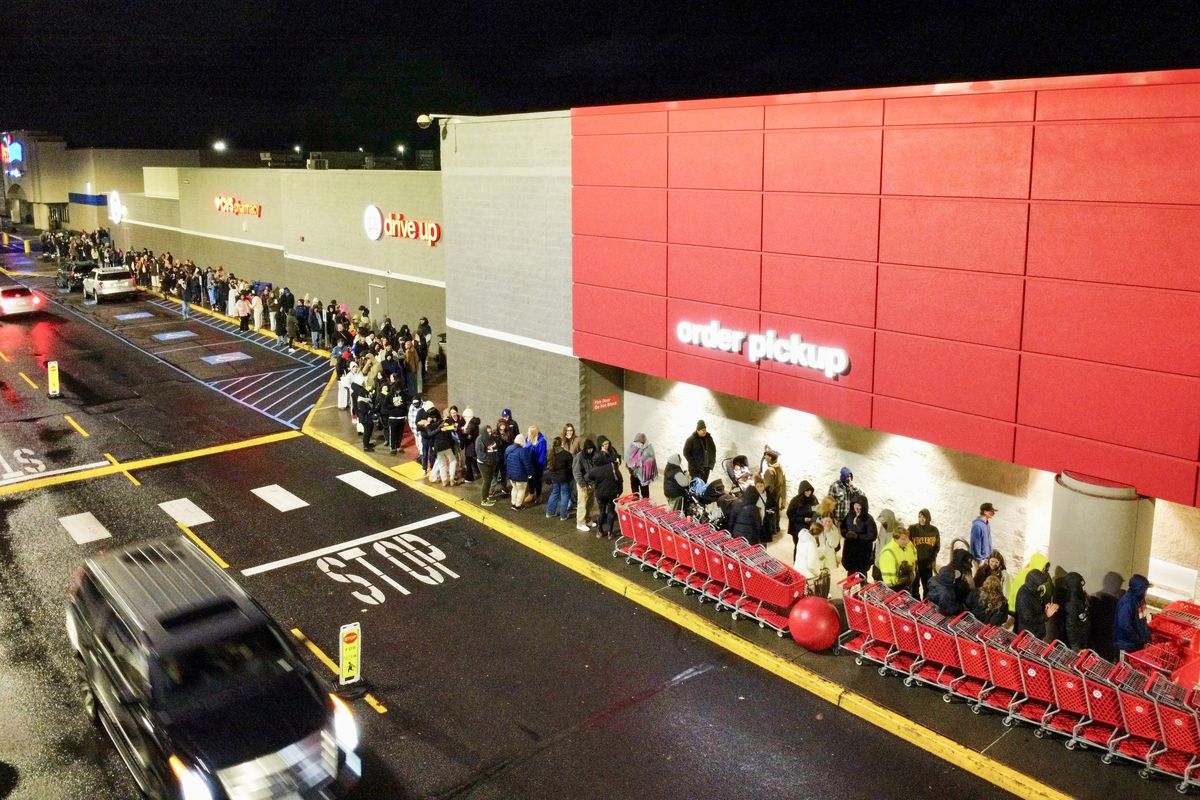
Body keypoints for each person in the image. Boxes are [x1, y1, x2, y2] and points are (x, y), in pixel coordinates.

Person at [587, 445, 623, 538]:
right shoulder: (612, 466)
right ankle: (610, 532)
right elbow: (619, 478)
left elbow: (588, 477)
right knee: (610, 512)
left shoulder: (594, 470)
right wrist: (620, 490)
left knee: (602, 511)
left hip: (600, 494)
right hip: (612, 492)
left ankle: (599, 531)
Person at [794, 521, 835, 599]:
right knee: (825, 573)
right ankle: (822, 597)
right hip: (806, 574)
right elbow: (811, 565)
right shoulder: (811, 543)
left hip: (798, 569)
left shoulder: (803, 537)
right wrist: (818, 573)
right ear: (819, 534)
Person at [928, 550, 975, 617]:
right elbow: (946, 609)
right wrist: (961, 607)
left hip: (940, 602)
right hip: (947, 606)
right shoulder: (946, 592)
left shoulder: (935, 579)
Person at [1015, 570, 1059, 640]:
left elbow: (1035, 606)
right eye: (1040, 585)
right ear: (1033, 584)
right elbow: (1028, 619)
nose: (1041, 587)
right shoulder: (1023, 596)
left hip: (1037, 632)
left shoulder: (1032, 590)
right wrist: (1046, 615)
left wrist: (1045, 607)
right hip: (1029, 635)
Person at [1114, 574, 1152, 654]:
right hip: (1127, 645)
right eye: (1145, 589)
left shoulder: (1140, 599)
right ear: (1139, 589)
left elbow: (1142, 619)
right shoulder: (1127, 604)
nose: (1146, 592)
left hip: (1137, 644)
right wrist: (1138, 639)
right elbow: (1124, 626)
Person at [841, 496, 877, 578]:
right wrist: (845, 533)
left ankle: (863, 589)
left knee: (862, 573)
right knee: (850, 572)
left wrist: (858, 536)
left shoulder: (868, 519)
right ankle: (848, 589)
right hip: (850, 551)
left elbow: (872, 536)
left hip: (862, 552)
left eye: (860, 505)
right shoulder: (849, 516)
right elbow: (843, 527)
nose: (857, 507)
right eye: (856, 504)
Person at [908, 509, 940, 600]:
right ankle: (915, 603)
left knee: (927, 586)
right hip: (915, 563)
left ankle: (926, 604)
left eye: (924, 517)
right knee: (915, 586)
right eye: (920, 517)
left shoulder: (934, 530)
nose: (921, 519)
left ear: (928, 518)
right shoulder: (912, 529)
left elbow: (937, 547)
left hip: (927, 564)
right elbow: (907, 545)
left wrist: (932, 560)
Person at [878, 527, 918, 595]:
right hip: (896, 589)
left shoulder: (909, 545)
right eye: (903, 539)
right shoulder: (888, 552)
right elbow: (889, 577)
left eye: (907, 538)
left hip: (908, 584)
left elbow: (914, 558)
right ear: (896, 539)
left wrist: (913, 574)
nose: (907, 541)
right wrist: (895, 587)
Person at [1057, 572, 1092, 651]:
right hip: (1077, 641)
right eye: (1079, 583)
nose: (1081, 585)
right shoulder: (1071, 602)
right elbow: (1070, 625)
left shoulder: (1077, 596)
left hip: (1081, 636)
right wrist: (1074, 645)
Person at [785, 480, 817, 559]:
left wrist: (813, 520)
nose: (808, 492)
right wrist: (803, 519)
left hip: (809, 527)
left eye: (810, 490)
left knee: (808, 547)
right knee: (798, 547)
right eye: (806, 490)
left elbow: (816, 511)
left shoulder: (813, 499)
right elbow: (790, 514)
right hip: (797, 528)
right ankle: (796, 564)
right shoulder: (795, 501)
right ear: (802, 490)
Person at [759, 446, 785, 542]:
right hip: (777, 494)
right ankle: (776, 528)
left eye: (765, 456)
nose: (764, 457)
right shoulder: (779, 467)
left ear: (770, 457)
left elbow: (766, 486)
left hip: (770, 495)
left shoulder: (769, 471)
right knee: (776, 512)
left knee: (768, 513)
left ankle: (771, 530)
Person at [545, 437, 574, 521]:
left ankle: (550, 513)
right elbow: (570, 467)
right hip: (564, 478)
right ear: (561, 444)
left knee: (554, 493)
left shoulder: (550, 453)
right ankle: (563, 515)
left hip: (554, 477)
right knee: (564, 494)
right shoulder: (566, 454)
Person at [573, 439, 598, 532]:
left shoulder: (593, 456)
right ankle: (580, 523)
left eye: (591, 449)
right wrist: (582, 484)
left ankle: (587, 519)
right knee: (582, 503)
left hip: (591, 483)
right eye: (588, 449)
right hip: (583, 484)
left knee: (589, 503)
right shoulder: (579, 457)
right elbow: (576, 472)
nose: (590, 451)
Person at [476, 426, 504, 507]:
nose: (490, 433)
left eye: (490, 431)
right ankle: (483, 500)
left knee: (490, 480)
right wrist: (489, 461)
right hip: (484, 464)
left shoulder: (492, 438)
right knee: (486, 481)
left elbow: (497, 447)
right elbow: (480, 454)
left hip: (492, 463)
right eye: (488, 432)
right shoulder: (480, 440)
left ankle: (487, 497)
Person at [505, 433, 534, 511]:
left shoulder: (508, 448)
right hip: (520, 476)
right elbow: (527, 465)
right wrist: (530, 473)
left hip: (511, 475)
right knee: (521, 490)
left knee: (514, 488)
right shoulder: (523, 451)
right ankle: (518, 506)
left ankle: (513, 503)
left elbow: (505, 461)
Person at [625, 433, 657, 500]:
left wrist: (640, 461)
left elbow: (650, 459)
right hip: (634, 473)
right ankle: (635, 500)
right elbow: (628, 459)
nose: (637, 445)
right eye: (636, 443)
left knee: (644, 490)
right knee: (634, 488)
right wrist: (631, 467)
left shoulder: (648, 448)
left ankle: (645, 502)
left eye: (639, 443)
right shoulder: (633, 446)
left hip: (644, 474)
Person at [525, 426, 547, 505]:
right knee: (530, 479)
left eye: (529, 432)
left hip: (538, 465)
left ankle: (538, 495)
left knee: (538, 480)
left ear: (533, 433)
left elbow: (542, 455)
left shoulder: (542, 441)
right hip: (530, 464)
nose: (527, 434)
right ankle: (531, 494)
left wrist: (539, 467)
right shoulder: (528, 439)